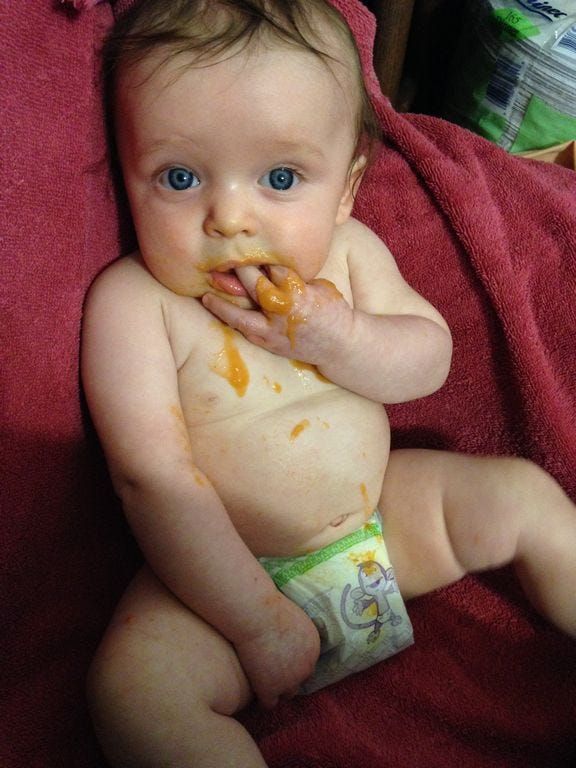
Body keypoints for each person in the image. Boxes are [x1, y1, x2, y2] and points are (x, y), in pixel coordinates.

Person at [81, 0, 576, 765]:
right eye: (179, 177)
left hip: (379, 527)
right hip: (227, 582)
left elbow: (428, 361)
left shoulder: (350, 253)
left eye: (280, 177)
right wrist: (253, 620)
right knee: (133, 695)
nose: (230, 218)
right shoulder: (135, 304)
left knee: (522, 497)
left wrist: (341, 337)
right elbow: (152, 478)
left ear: (345, 191)